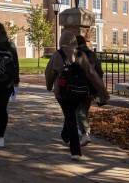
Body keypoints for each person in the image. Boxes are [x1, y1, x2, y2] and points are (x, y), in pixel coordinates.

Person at [45, 31, 109, 160]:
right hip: (80, 92)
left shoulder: (57, 55)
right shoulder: (81, 55)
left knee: (70, 117)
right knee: (70, 115)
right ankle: (65, 135)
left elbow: (49, 73)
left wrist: (49, 85)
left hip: (62, 93)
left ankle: (75, 151)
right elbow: (92, 74)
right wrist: (103, 92)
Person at [75, 35, 104, 146]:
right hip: (91, 87)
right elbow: (99, 72)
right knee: (84, 110)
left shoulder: (77, 55)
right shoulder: (92, 55)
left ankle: (84, 133)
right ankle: (82, 131)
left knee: (78, 110)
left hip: (79, 87)